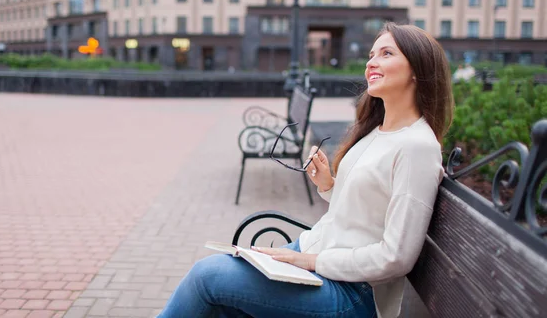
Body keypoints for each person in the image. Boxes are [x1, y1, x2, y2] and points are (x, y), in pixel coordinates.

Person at [158, 22, 454, 318]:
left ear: (417, 68)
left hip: (352, 292)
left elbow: (396, 258)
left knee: (206, 277)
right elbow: (365, 211)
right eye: (371, 54)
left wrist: (311, 262)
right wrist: (328, 186)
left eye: (386, 53)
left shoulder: (417, 147)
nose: (371, 62)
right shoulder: (377, 131)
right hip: (316, 253)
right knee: (219, 306)